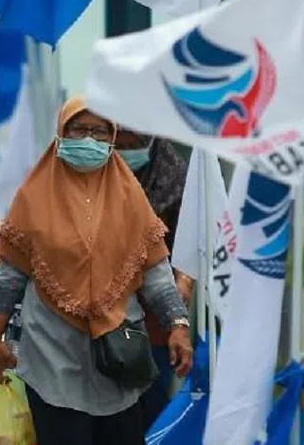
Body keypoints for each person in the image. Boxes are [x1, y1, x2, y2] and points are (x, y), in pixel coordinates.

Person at [0, 98, 193, 445]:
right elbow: (12, 273)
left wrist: (178, 326)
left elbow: (156, 270)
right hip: (50, 355)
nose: (88, 140)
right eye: (78, 130)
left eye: (99, 132)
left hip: (117, 357)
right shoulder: (34, 196)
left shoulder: (131, 198)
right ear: (61, 133)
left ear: (111, 138)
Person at [114, 127, 193, 428]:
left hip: (153, 320)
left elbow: (191, 242)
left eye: (133, 141)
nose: (124, 147)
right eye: (117, 140)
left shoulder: (174, 179)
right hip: (92, 321)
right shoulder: (89, 178)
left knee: (149, 410)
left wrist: (183, 284)